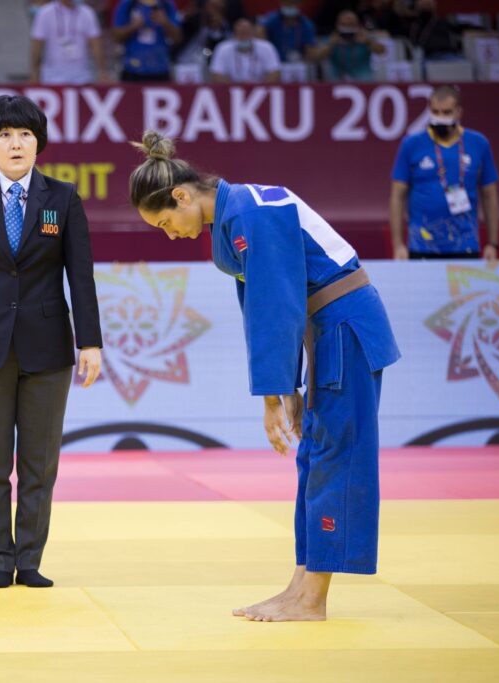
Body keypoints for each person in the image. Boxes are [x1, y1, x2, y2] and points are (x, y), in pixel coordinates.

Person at [128, 131, 401, 622]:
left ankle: (312, 600)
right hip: (325, 330)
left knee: (336, 453)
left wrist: (276, 395)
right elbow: (261, 309)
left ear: (183, 195)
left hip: (343, 326)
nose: (172, 234)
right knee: (314, 455)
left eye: (168, 222)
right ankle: (300, 587)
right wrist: (285, 384)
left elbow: (277, 307)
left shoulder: (251, 214)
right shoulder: (236, 215)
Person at [0, 95, 103, 589]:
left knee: (39, 463)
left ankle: (28, 560)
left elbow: (81, 274)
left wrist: (90, 341)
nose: (16, 143)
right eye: (6, 134)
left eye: (26, 134)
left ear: (39, 144)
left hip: (49, 348)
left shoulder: (64, 197)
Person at [390, 85, 499, 261]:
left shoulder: (479, 143)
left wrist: (493, 243)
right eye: (435, 112)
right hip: (422, 244)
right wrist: (398, 244)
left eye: (446, 112)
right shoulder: (411, 144)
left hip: (465, 243)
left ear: (458, 112)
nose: (440, 118)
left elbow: (490, 196)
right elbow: (397, 196)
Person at [30, 0, 109, 84]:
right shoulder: (45, 13)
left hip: (82, 77)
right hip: (52, 77)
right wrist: (34, 73)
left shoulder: (87, 13)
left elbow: (96, 45)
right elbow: (37, 45)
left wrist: (102, 71)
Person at [110, 0, 181, 82]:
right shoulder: (128, 4)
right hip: (132, 69)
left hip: (161, 68)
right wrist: (133, 26)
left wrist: (165, 23)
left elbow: (177, 38)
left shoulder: (166, 4)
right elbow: (116, 37)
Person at [209, 18, 281, 83]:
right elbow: (216, 75)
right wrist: (236, 88)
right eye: (241, 33)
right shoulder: (223, 48)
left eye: (247, 33)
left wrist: (260, 87)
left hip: (260, 88)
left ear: (253, 33)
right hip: (232, 89)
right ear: (234, 34)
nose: (244, 36)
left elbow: (275, 73)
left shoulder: (266, 47)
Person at [259, 0, 327, 65]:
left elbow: (310, 53)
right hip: (274, 64)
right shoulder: (272, 20)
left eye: (293, 2)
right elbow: (259, 34)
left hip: (298, 64)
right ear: (281, 2)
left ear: (300, 4)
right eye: (287, 3)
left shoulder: (306, 25)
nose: (290, 6)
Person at [326, 9, 385, 81]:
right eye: (344, 25)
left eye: (351, 25)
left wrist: (368, 42)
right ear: (337, 25)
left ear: (358, 25)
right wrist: (330, 45)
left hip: (363, 80)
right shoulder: (332, 38)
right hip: (336, 80)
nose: (347, 29)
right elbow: (316, 57)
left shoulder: (365, 37)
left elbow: (382, 50)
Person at [174, 0, 230, 67]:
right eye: (212, 5)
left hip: (207, 63)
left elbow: (218, 41)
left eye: (217, 7)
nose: (213, 10)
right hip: (183, 60)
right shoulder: (194, 18)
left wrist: (217, 27)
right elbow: (181, 29)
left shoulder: (224, 24)